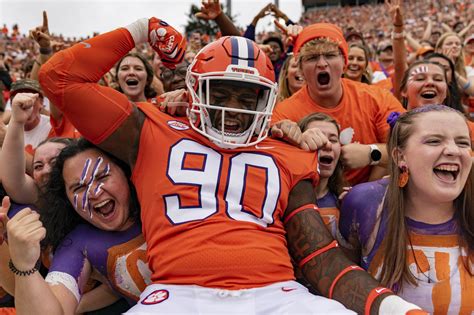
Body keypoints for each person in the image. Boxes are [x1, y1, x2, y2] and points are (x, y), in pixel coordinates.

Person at [35, 17, 422, 314]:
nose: (232, 109)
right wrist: (141, 29)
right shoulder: (150, 129)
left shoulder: (286, 149)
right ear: (195, 90)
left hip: (278, 295)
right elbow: (59, 78)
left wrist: (395, 307)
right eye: (221, 92)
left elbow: (320, 259)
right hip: (176, 295)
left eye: (247, 96)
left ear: (267, 101)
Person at [339, 105, 474, 313]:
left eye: (463, 142)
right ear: (400, 156)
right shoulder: (366, 204)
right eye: (434, 141)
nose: (453, 150)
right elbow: (342, 287)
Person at [2, 128, 148, 314]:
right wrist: (24, 266)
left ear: (124, 171)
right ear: (66, 198)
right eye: (78, 187)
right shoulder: (76, 243)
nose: (94, 193)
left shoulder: (158, 200)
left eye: (102, 177)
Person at [273, 23, 405, 185]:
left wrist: (372, 154)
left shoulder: (377, 99)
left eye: (329, 55)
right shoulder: (285, 112)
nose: (322, 63)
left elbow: (411, 147)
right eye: (312, 57)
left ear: (344, 63)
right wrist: (294, 140)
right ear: (300, 69)